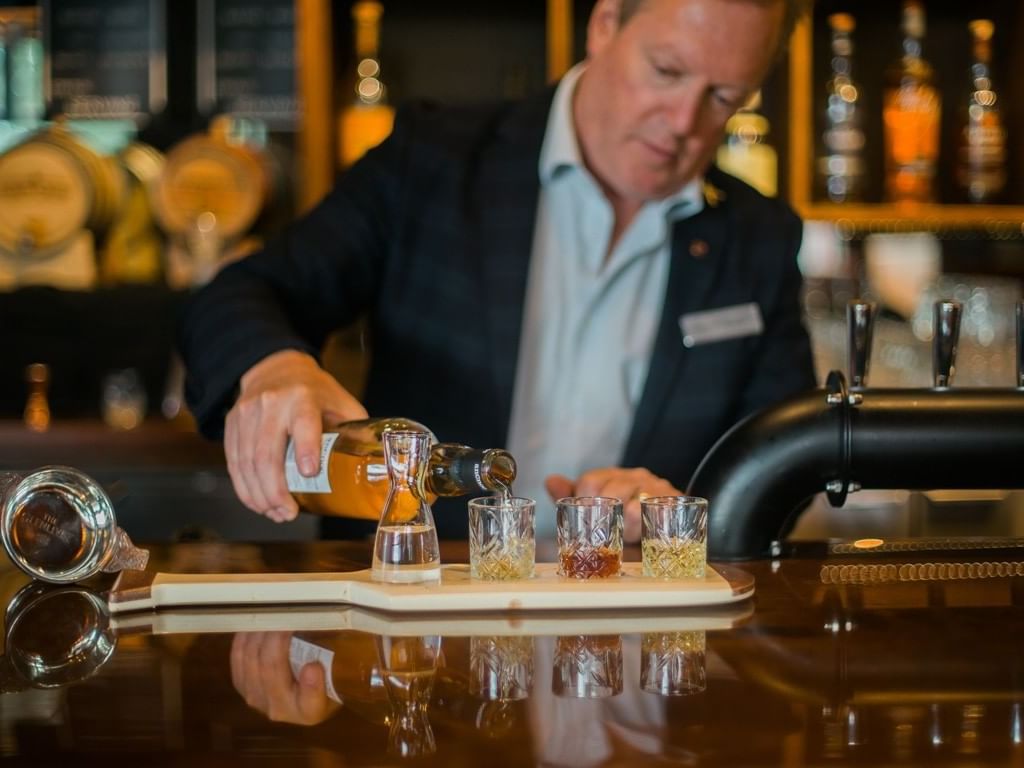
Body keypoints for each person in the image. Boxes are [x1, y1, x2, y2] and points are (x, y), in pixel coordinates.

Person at [179, 0, 816, 541]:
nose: (684, 123)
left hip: (632, 639)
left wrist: (675, 516)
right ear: (604, 25)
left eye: (724, 96)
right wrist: (274, 366)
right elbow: (240, 293)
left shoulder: (757, 237)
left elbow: (786, 467)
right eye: (666, 70)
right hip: (415, 626)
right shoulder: (432, 162)